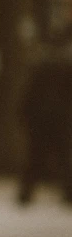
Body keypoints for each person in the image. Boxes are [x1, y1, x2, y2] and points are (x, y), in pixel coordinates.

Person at [18, 44, 72, 205]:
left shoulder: (39, 72)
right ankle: (68, 192)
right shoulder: (65, 70)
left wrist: (23, 116)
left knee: (35, 157)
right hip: (59, 120)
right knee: (63, 157)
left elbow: (28, 96)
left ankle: (26, 193)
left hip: (41, 119)